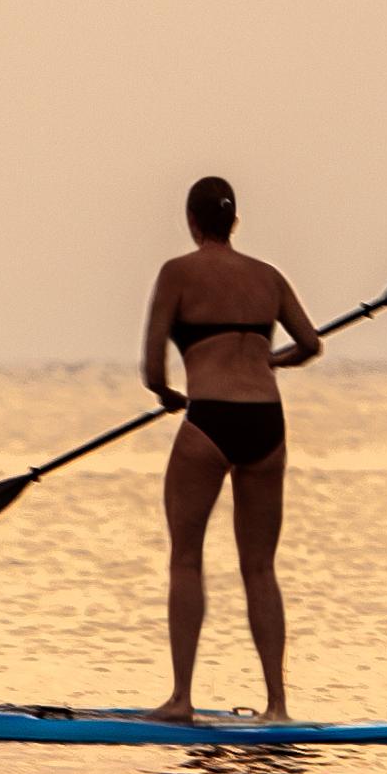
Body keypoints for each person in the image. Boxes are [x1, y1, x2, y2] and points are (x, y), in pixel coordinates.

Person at [142, 176, 323, 722]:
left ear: (192, 222)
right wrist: (273, 361)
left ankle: (180, 699)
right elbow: (311, 344)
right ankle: (277, 705)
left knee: (186, 559)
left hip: (211, 420)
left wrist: (170, 395)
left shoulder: (178, 273)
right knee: (260, 569)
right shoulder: (268, 276)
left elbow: (152, 368)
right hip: (267, 423)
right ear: (234, 222)